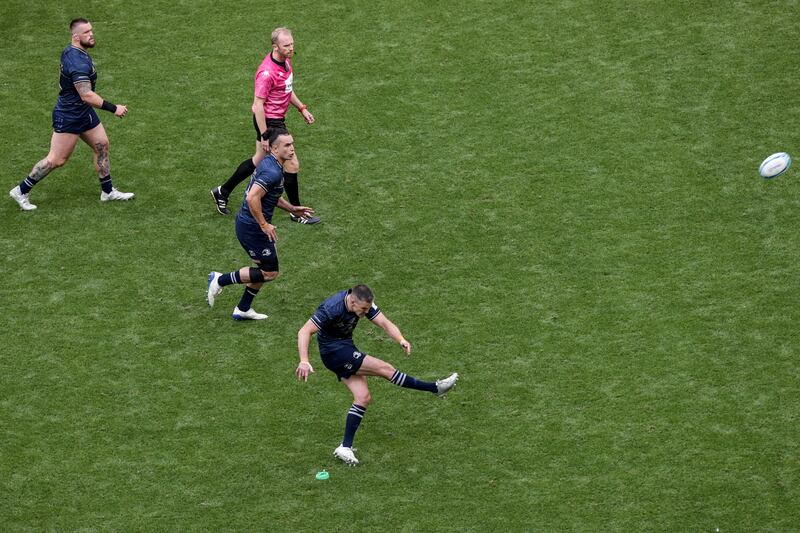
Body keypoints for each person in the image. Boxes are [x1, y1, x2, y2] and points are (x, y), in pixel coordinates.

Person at [296, 284, 459, 465]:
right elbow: (304, 331)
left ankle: (345, 447)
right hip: (333, 353)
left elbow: (384, 322)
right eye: (363, 309)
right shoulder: (332, 308)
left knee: (363, 397)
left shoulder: (364, 304)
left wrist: (401, 339)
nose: (366, 313)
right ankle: (435, 388)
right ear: (351, 301)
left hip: (346, 346)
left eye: (368, 309)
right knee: (385, 369)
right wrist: (304, 360)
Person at [9, 18, 134, 211]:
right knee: (56, 160)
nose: (91, 34)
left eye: (91, 30)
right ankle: (21, 190)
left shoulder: (73, 51)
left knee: (101, 145)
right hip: (69, 115)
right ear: (75, 36)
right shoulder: (77, 63)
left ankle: (107, 191)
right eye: (86, 32)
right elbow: (86, 95)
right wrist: (113, 108)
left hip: (82, 112)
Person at [211, 27, 319, 224]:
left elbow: (287, 89)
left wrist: (302, 108)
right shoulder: (267, 73)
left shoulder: (285, 62)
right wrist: (264, 135)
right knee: (292, 163)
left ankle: (222, 191)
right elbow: (258, 105)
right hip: (269, 122)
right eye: (287, 46)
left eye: (292, 44)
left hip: (274, 120)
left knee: (258, 160)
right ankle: (297, 212)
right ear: (275, 46)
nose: (291, 48)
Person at [207, 130, 314, 320]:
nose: (292, 149)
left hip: (251, 225)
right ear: (274, 148)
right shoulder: (272, 171)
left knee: (264, 268)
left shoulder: (271, 163)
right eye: (287, 145)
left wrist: (292, 208)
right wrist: (264, 224)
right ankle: (220, 279)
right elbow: (252, 197)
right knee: (270, 272)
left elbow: (271, 195)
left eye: (292, 144)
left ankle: (243, 308)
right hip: (252, 228)